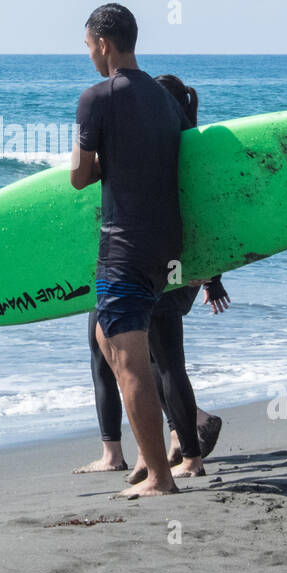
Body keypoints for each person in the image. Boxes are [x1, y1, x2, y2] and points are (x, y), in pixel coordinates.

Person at [73, 74, 229, 480]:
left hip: (150, 264)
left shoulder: (163, 147)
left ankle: (175, 451)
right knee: (156, 358)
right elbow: (214, 216)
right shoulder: (183, 145)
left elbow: (196, 210)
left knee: (150, 358)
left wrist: (209, 276)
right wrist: (210, 275)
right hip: (173, 262)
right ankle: (176, 443)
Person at [70, 3, 188, 497]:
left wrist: (103, 164)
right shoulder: (167, 99)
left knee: (127, 356)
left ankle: (159, 478)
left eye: (88, 47)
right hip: (169, 245)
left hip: (124, 244)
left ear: (103, 43)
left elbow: (79, 176)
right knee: (108, 337)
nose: (89, 56)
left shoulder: (96, 97)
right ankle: (148, 458)